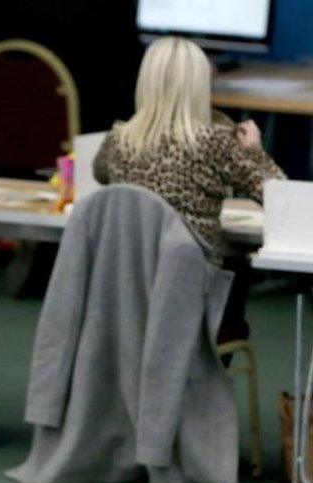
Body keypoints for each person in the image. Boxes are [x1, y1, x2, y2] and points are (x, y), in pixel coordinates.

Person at [94, 37, 285, 342]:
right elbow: (282, 202)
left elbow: (100, 175)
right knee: (237, 283)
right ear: (199, 85)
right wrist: (254, 153)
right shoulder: (217, 142)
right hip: (189, 305)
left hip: (124, 299)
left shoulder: (117, 142)